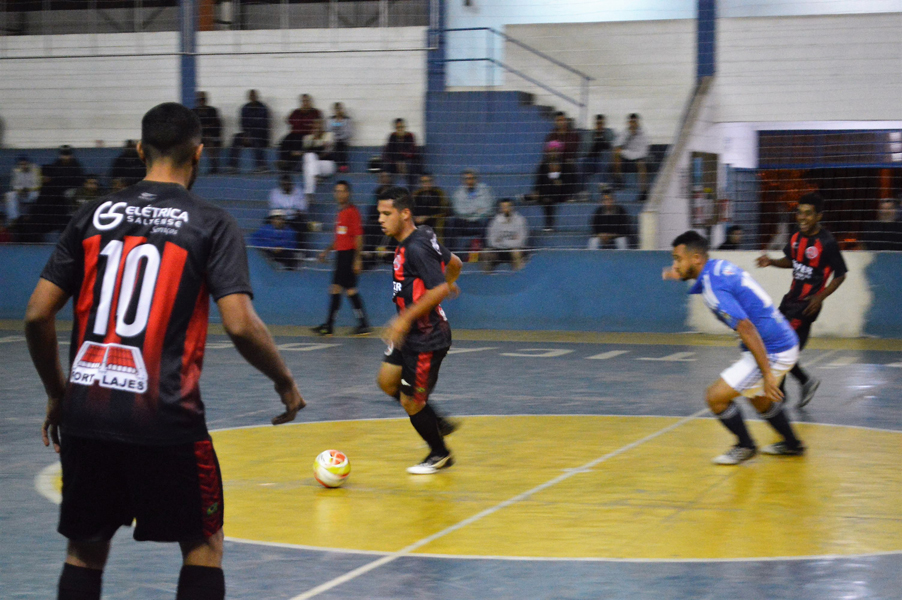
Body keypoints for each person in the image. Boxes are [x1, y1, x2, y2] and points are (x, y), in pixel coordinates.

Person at [24, 102, 304, 600]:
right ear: (199, 153)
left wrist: (57, 393)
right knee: (203, 544)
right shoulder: (211, 223)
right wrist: (284, 381)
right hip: (164, 417)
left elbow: (37, 315)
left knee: (85, 551)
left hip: (87, 411)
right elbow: (240, 325)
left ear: (138, 151)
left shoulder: (93, 215)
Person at [663, 230, 805, 465]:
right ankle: (793, 444)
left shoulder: (712, 289)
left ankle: (745, 446)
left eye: (678, 259)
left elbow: (746, 328)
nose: (675, 264)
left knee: (715, 397)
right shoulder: (717, 267)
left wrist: (768, 374)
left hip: (774, 349)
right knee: (758, 398)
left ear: (696, 258)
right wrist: (679, 273)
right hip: (783, 339)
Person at [375, 185, 463, 474]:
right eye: (379, 213)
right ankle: (436, 420)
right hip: (409, 334)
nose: (380, 219)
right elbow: (455, 264)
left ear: (405, 213)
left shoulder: (416, 246)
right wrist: (448, 283)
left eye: (386, 214)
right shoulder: (420, 235)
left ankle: (440, 454)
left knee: (410, 401)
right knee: (388, 381)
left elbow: (437, 288)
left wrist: (404, 318)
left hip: (427, 336)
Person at [756, 193, 847, 407]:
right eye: (799, 212)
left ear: (818, 216)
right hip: (789, 300)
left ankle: (783, 391)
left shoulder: (827, 242)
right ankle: (798, 385)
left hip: (807, 306)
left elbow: (841, 274)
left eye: (808, 214)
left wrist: (820, 296)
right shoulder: (796, 237)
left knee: (780, 346)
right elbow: (791, 260)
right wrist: (771, 262)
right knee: (774, 344)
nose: (802, 217)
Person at [312, 180, 371, 336]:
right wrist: (326, 251)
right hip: (341, 255)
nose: (339, 194)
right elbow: (339, 238)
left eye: (342, 191)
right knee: (350, 290)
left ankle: (329, 326)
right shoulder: (340, 213)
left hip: (348, 255)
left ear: (348, 193)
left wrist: (357, 259)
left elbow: (359, 236)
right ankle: (363, 324)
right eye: (336, 191)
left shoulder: (352, 212)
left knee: (336, 288)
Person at [449, 169, 494, 253]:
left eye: (472, 178)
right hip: (464, 221)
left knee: (487, 221)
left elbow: (488, 208)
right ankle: (451, 253)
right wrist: (476, 210)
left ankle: (485, 252)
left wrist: (469, 211)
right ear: (463, 180)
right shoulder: (458, 193)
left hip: (480, 220)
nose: (469, 181)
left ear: (476, 179)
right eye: (467, 179)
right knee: (451, 221)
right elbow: (458, 210)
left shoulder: (485, 190)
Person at [533, 143, 573, 232]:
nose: (553, 153)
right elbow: (539, 179)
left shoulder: (565, 165)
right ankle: (533, 196)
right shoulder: (543, 165)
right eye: (551, 151)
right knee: (546, 193)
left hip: (560, 191)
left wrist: (561, 182)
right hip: (546, 191)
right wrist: (536, 190)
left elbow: (569, 180)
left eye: (555, 151)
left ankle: (549, 224)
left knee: (548, 197)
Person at [228, 90, 270, 173]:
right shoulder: (245, 108)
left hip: (260, 134)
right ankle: (232, 166)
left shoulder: (263, 108)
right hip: (248, 134)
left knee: (256, 138)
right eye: (251, 96)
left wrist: (250, 133)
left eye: (254, 96)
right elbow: (243, 123)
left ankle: (261, 165)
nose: (252, 98)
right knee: (236, 138)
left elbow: (263, 124)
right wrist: (246, 134)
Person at [279, 94, 322, 172]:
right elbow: (289, 121)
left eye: (306, 101)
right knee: (284, 141)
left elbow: (315, 124)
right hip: (295, 133)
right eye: (303, 101)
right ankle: (284, 162)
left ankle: (293, 164)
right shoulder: (296, 112)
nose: (305, 103)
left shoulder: (315, 112)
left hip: (308, 134)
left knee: (297, 143)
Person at [267, 174, 309, 254]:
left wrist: (288, 212)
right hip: (279, 218)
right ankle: (271, 250)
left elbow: (302, 208)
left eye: (288, 184)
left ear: (291, 184)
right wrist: (285, 214)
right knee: (267, 223)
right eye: (284, 184)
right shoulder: (274, 193)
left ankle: (301, 252)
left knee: (301, 224)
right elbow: (274, 209)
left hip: (294, 218)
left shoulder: (299, 191)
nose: (286, 186)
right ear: (280, 185)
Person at [485, 198, 528, 271]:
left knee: (516, 252)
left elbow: (521, 241)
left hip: (514, 249)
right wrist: (511, 240)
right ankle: (486, 277)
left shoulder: (520, 220)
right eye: (503, 207)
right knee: (485, 252)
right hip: (499, 250)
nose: (506, 209)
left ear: (512, 207)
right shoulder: (494, 221)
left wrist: (501, 241)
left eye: (508, 206)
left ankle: (519, 277)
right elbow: (491, 241)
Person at [613, 113, 650, 196]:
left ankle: (643, 191)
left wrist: (628, 153)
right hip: (627, 156)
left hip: (638, 157)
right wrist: (629, 134)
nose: (633, 124)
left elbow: (643, 152)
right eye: (631, 122)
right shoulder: (625, 132)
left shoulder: (643, 134)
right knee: (615, 154)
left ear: (637, 123)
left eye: (634, 122)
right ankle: (618, 180)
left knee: (641, 164)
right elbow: (617, 145)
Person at [301, 118, 336, 203]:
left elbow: (326, 152)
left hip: (328, 165)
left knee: (309, 162)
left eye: (319, 125)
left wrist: (315, 149)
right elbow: (306, 151)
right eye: (315, 125)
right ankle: (312, 186)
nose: (318, 127)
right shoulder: (308, 138)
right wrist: (315, 140)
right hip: (315, 165)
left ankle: (309, 191)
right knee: (309, 158)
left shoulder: (329, 135)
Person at [589, 185, 634, 249]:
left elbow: (624, 230)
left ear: (613, 200)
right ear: (602, 201)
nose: (608, 202)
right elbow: (594, 228)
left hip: (617, 236)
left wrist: (610, 235)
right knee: (593, 241)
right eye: (605, 200)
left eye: (610, 199)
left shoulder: (621, 211)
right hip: (602, 237)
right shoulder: (598, 212)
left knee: (622, 241)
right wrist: (601, 235)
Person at [381, 118, 419, 188]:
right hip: (395, 162)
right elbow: (388, 152)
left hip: (407, 161)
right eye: (398, 128)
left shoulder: (410, 136)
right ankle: (388, 190)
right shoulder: (392, 136)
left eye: (402, 127)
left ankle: (411, 189)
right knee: (386, 168)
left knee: (411, 166)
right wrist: (397, 161)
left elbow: (412, 152)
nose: (400, 129)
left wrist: (402, 159)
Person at [4, 154, 41, 224]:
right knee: (10, 195)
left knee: (38, 194)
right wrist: (20, 191)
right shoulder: (16, 171)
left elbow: (38, 184)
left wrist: (28, 189)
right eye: (21, 164)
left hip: (32, 193)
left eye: (25, 164)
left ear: (28, 163)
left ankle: (38, 216)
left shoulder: (35, 169)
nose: (24, 166)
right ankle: (14, 218)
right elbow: (14, 185)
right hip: (21, 193)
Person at [581, 114, 616, 188]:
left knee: (605, 154)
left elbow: (612, 147)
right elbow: (584, 151)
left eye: (601, 123)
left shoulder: (609, 133)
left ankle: (604, 188)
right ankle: (582, 190)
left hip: (603, 160)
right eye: (598, 123)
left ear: (604, 124)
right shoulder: (589, 135)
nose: (599, 126)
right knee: (580, 162)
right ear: (595, 124)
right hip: (591, 160)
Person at [192, 92, 222, 174]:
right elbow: (193, 126)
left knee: (209, 141)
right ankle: (192, 167)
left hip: (211, 135)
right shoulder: (194, 112)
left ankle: (214, 165)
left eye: (203, 99)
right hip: (198, 136)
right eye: (200, 99)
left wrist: (205, 128)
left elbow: (216, 124)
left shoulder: (212, 111)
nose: (201, 101)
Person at [412, 173, 449, 240]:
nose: (426, 183)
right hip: (417, 221)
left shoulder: (439, 194)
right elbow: (410, 209)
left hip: (434, 220)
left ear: (432, 182)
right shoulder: (416, 195)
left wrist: (427, 217)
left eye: (428, 181)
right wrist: (415, 218)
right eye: (423, 182)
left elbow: (444, 211)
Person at [327, 102, 353, 172]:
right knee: (334, 147)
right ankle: (338, 165)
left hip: (343, 140)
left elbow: (348, 132)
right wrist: (334, 138)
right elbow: (329, 131)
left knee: (340, 145)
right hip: (333, 140)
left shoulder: (347, 120)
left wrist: (339, 138)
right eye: (336, 109)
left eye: (339, 109)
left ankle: (343, 166)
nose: (338, 111)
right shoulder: (330, 120)